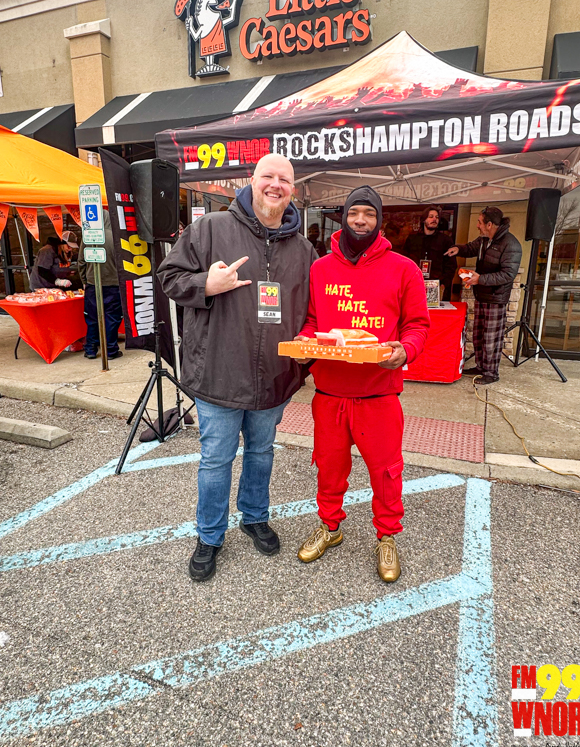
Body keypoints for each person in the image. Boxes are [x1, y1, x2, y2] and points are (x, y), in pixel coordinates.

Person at [158, 154, 316, 582]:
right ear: (252, 180)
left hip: (274, 375)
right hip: (219, 372)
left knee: (262, 453)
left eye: (285, 180)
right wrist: (205, 284)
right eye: (268, 176)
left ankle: (254, 517)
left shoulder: (304, 250)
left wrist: (308, 351)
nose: (276, 185)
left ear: (293, 190)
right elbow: (169, 276)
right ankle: (209, 536)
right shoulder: (210, 229)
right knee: (216, 460)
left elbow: (312, 312)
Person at [296, 186, 430, 583]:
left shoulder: (404, 269)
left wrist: (406, 350)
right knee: (329, 468)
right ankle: (330, 527)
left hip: (379, 394)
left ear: (379, 221)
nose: (360, 220)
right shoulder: (320, 269)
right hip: (330, 394)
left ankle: (387, 536)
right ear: (343, 217)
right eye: (354, 212)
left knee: (386, 472)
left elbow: (418, 325)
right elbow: (312, 322)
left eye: (369, 214)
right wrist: (304, 344)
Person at [445, 206, 522, 385]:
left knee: (491, 338)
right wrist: (458, 249)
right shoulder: (484, 239)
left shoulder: (511, 244)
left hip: (496, 297)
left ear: (489, 224)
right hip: (481, 294)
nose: (477, 226)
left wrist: (480, 279)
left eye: (480, 222)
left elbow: (507, 275)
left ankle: (491, 373)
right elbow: (471, 248)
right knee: (479, 334)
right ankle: (481, 367)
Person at [77, 209, 123, 361]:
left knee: (92, 318)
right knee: (112, 318)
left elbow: (81, 262)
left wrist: (85, 280)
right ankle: (111, 350)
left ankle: (90, 349)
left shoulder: (88, 236)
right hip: (113, 284)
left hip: (93, 283)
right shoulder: (117, 237)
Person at [402, 205, 456, 301]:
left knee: (433, 310)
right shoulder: (412, 239)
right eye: (431, 216)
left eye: (437, 217)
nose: (434, 219)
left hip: (436, 284)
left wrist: (444, 283)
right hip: (414, 284)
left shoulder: (445, 240)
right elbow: (405, 262)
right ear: (424, 220)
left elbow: (451, 265)